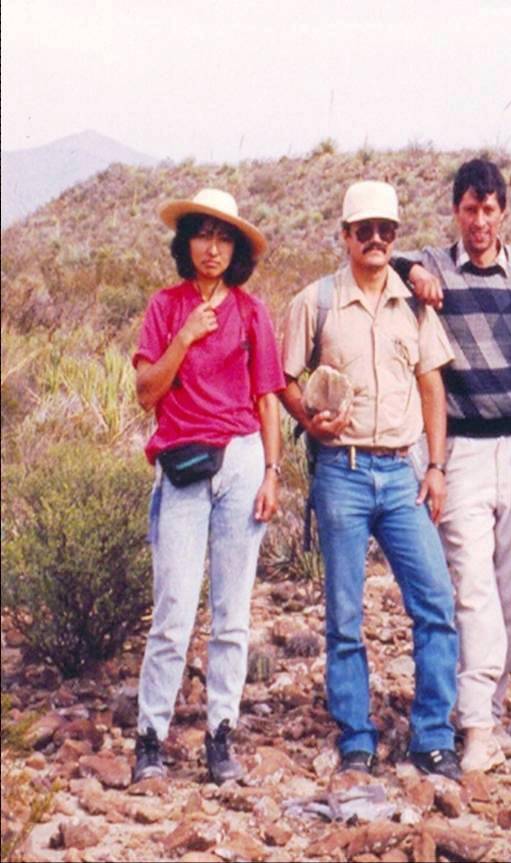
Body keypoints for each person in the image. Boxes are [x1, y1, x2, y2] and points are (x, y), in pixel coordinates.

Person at [280, 181, 461, 780]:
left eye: (387, 230)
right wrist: (311, 420)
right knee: (344, 613)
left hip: (403, 471)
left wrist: (434, 467)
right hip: (344, 473)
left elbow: (432, 384)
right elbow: (282, 377)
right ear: (346, 234)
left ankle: (432, 735)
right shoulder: (318, 301)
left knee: (435, 603)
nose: (377, 240)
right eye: (366, 230)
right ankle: (356, 734)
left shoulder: (413, 303)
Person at [390, 159, 511, 771]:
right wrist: (410, 268)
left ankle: (488, 701)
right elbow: (383, 260)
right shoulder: (432, 266)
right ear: (457, 212)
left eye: (490, 210)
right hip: (458, 448)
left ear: (504, 213)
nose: (480, 221)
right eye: (470, 210)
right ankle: (479, 727)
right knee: (474, 588)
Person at [132, 188, 283, 784]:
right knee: (172, 608)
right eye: (203, 235)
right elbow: (148, 390)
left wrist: (273, 471)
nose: (212, 248)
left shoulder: (251, 312)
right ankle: (151, 737)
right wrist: (186, 337)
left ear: (236, 249)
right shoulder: (166, 307)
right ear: (186, 242)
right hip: (184, 464)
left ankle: (221, 734)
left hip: (242, 460)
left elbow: (266, 398)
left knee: (232, 612)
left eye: (224, 238)